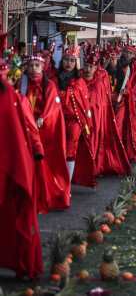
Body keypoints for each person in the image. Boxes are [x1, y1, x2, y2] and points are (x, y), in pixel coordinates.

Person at [0, 73, 43, 279]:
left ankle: (22, 261)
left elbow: (29, 127)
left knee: (17, 214)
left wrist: (37, 148)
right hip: (11, 165)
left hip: (12, 165)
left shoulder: (15, 98)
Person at [19, 53, 70, 211]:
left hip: (44, 130)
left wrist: (42, 119)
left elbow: (52, 107)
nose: (34, 69)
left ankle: (45, 194)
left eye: (37, 65)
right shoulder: (23, 84)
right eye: (31, 65)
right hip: (28, 129)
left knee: (43, 163)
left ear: (43, 67)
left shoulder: (49, 85)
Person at [80, 48, 130, 178]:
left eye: (91, 66)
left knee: (95, 139)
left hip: (98, 114)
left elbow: (104, 96)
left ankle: (95, 167)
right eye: (86, 65)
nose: (88, 69)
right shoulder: (79, 78)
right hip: (82, 114)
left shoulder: (102, 78)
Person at [54, 45, 95, 187]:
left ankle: (67, 182)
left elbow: (84, 104)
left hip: (75, 121)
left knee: (71, 148)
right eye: (66, 60)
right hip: (57, 120)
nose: (69, 63)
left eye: (72, 60)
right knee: (57, 149)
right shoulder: (54, 79)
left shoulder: (80, 81)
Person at [112, 44, 136, 163]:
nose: (128, 55)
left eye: (130, 53)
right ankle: (117, 153)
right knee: (117, 126)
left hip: (127, 102)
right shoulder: (117, 63)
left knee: (123, 126)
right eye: (126, 52)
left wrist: (128, 92)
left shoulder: (135, 66)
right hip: (115, 99)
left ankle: (126, 153)